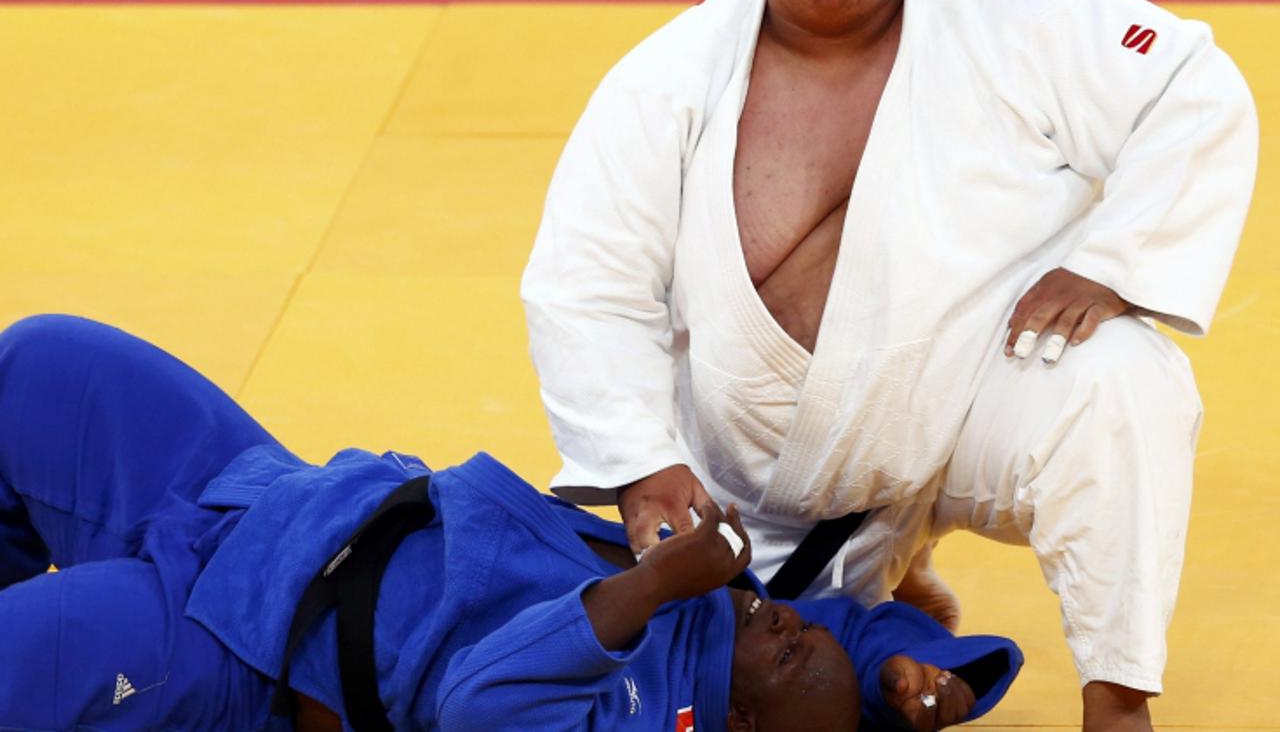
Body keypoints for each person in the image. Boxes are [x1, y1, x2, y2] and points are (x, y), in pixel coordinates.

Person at [520, 0, 1259, 729]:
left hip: (975, 395)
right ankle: (890, 583)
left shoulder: (1008, 12)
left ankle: (1118, 697)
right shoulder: (669, 79)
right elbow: (586, 279)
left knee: (1128, 378)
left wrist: (1117, 262)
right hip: (766, 485)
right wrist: (641, 463)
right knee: (728, 686)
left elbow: (1186, 82)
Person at [0, 314, 1022, 731]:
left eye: (792, 651)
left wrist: (650, 586)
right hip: (269, 496)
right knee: (35, 365)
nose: (793, 623)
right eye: (801, 630)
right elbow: (856, 637)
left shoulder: (640, 704)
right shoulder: (745, 627)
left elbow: (474, 698)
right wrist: (914, 678)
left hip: (239, 637)